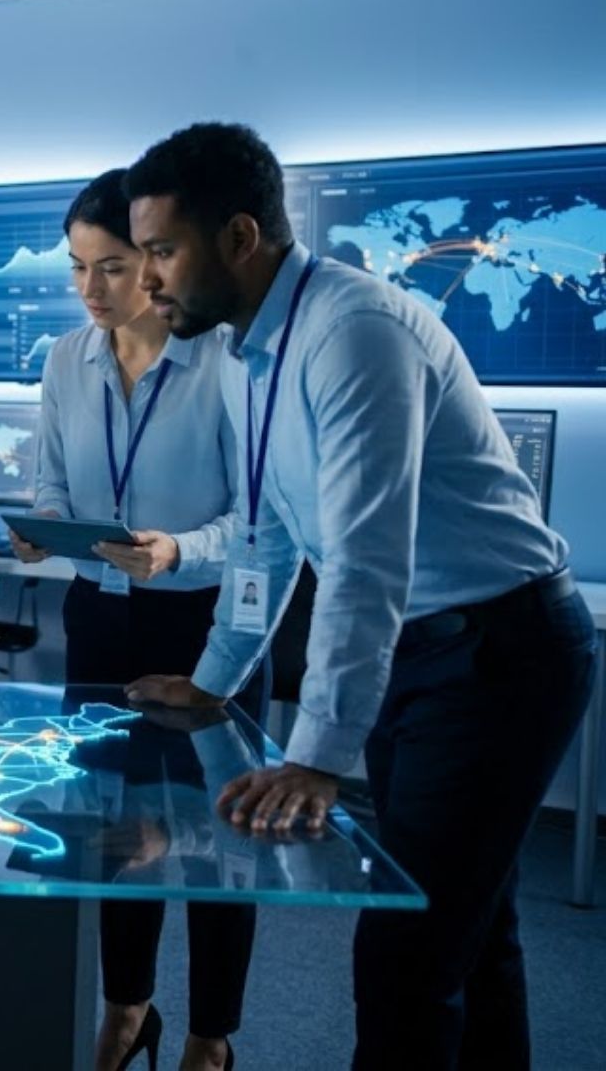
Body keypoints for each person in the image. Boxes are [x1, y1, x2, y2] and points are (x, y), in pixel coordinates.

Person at [120, 123, 595, 1069]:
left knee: (408, 954)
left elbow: (366, 559)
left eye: (163, 251)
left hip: (499, 653)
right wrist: (214, 681)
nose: (146, 281)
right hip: (425, 652)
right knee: (469, 934)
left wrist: (316, 756)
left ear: (240, 238)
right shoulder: (248, 354)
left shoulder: (353, 333)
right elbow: (268, 536)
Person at [9, 168, 255, 1071]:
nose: (91, 289)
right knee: (113, 826)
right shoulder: (64, 360)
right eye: (77, 268)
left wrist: (178, 550)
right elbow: (51, 483)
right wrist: (43, 529)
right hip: (100, 621)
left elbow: (261, 523)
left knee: (218, 840)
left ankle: (210, 1037)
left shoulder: (225, 360)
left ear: (156, 262)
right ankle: (127, 1009)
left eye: (110, 267)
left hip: (206, 625)